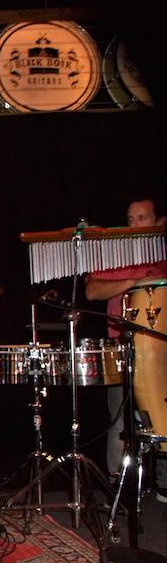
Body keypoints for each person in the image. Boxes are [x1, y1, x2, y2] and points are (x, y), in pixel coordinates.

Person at [84, 196, 167, 501]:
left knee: (162, 415)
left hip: (163, 348)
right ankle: (118, 486)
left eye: (141, 218)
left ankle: (165, 485)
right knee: (121, 418)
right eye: (130, 219)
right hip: (125, 347)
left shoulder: (162, 252)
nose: (133, 225)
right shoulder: (116, 254)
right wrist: (136, 280)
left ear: (159, 221)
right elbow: (92, 291)